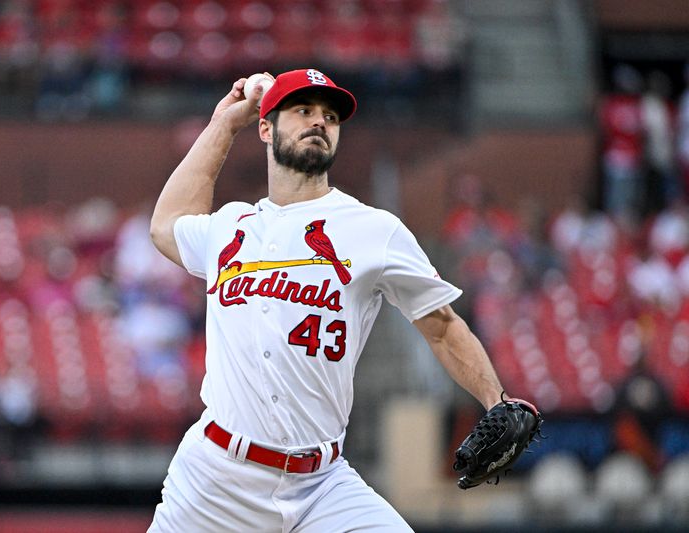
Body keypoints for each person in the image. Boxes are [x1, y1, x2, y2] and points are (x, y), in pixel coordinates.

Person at [147, 68, 525, 531]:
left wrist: (496, 399)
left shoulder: (373, 230)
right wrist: (225, 124)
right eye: (302, 110)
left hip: (321, 486)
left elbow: (443, 325)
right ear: (265, 128)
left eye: (330, 115)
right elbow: (166, 225)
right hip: (216, 482)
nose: (319, 122)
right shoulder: (231, 226)